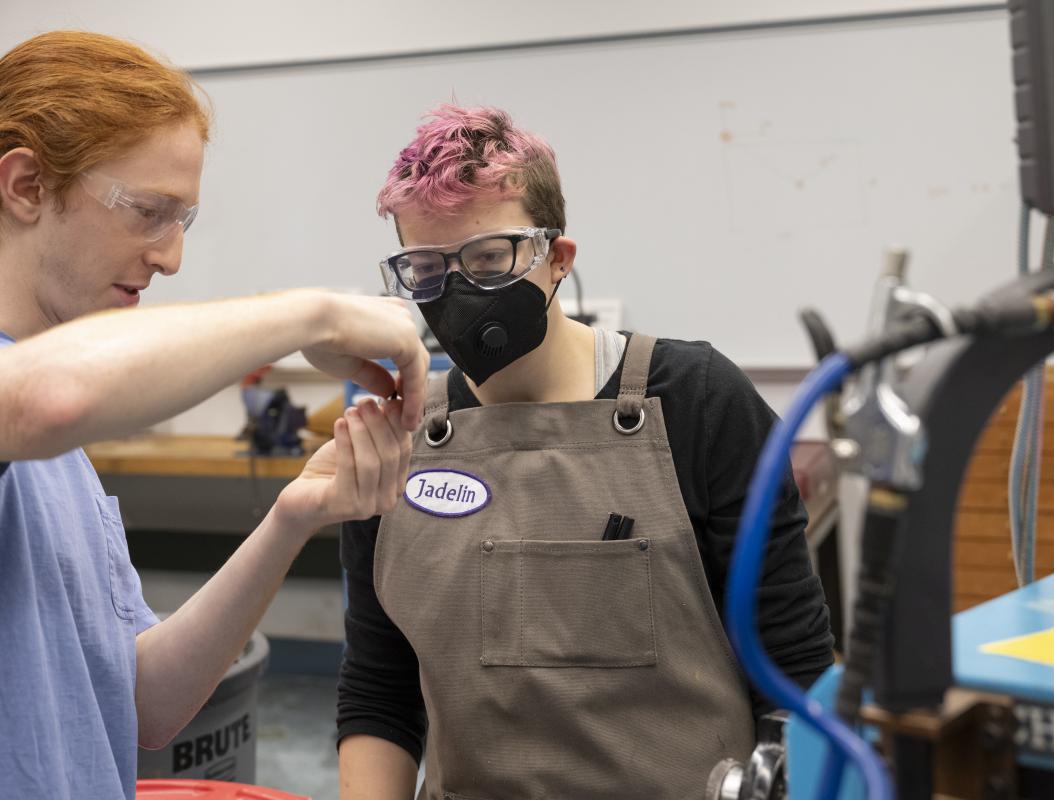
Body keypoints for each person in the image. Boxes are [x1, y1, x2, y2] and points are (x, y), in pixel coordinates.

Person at [337, 104, 834, 799]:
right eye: (426, 268)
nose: (457, 291)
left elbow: (794, 669)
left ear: (557, 261)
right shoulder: (399, 436)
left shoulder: (694, 400)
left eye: (488, 258)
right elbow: (379, 690)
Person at [0, 31, 428, 800]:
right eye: (147, 212)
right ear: (27, 185)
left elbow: (143, 703)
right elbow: (41, 397)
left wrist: (293, 516)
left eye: (184, 221)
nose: (170, 258)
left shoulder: (63, 457)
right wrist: (316, 316)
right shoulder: (35, 407)